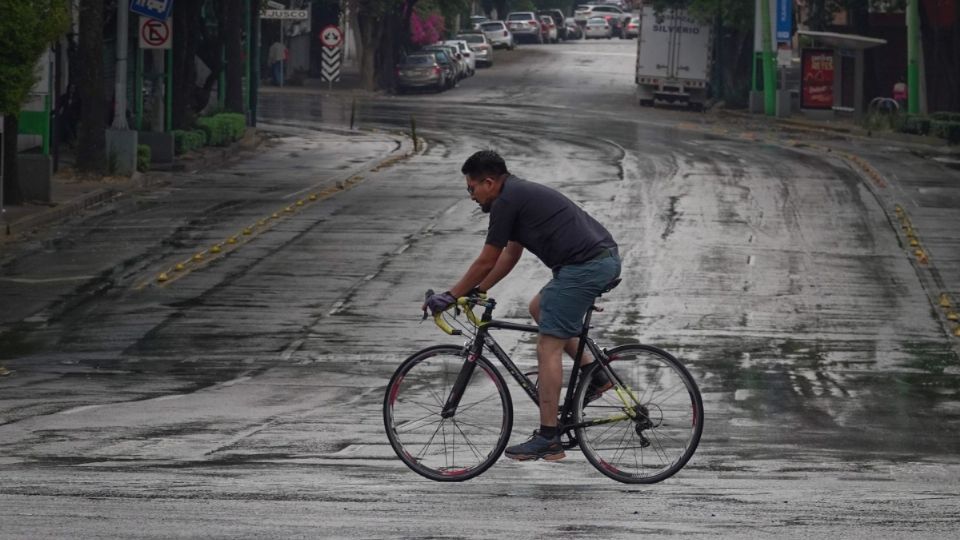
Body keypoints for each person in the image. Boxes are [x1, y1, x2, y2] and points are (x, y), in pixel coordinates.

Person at [423, 150, 622, 461]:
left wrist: (450, 295)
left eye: (471, 189)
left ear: (489, 182)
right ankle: (596, 374)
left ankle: (549, 437)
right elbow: (509, 256)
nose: (471, 196)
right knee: (540, 309)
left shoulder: (507, 201)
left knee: (547, 345)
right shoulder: (516, 195)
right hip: (592, 263)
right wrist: (478, 290)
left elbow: (487, 257)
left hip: (586, 266)